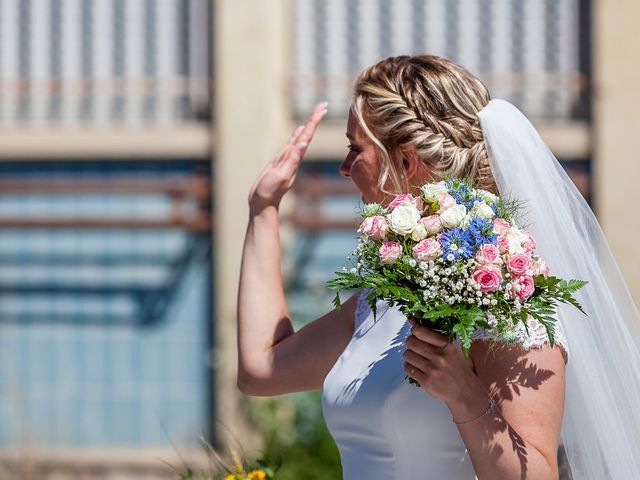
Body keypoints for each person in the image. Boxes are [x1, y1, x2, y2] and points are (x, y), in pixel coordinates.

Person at [237, 55, 640, 479]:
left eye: (356, 149)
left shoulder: (505, 295)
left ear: (406, 162)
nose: (343, 168)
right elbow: (262, 369)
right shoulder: (385, 298)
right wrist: (263, 208)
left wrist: (464, 394)